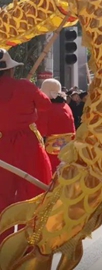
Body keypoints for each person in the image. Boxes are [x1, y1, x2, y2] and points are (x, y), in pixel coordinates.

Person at [0, 49, 52, 242]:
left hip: (1, 146)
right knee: (32, 193)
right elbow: (45, 104)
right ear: (10, 70)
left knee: (1, 196)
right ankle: (28, 242)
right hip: (28, 145)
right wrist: (29, 90)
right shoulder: (24, 86)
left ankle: (3, 243)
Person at [36, 78, 76, 173]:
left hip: (51, 149)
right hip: (68, 148)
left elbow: (40, 131)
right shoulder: (66, 107)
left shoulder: (45, 108)